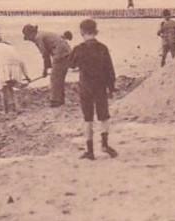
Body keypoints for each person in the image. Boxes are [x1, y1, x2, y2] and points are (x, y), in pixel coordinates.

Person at [69, 19, 117, 160]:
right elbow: (110, 70)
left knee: (87, 118)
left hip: (85, 87)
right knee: (104, 116)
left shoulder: (79, 49)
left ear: (82, 32)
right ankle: (105, 145)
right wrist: (111, 87)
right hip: (100, 86)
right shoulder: (103, 48)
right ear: (95, 31)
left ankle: (90, 151)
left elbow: (70, 64)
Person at [22, 24, 72, 107]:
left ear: (31, 33)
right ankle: (60, 100)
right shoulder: (42, 34)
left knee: (55, 78)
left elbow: (45, 55)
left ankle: (56, 101)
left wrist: (45, 70)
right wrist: (48, 68)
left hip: (60, 54)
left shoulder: (38, 38)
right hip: (67, 52)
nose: (30, 40)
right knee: (59, 77)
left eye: (28, 37)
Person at [0, 35, 31, 113]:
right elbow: (21, 61)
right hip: (16, 69)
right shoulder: (11, 47)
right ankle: (15, 107)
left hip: (5, 70)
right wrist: (26, 75)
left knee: (4, 89)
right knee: (11, 88)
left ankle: (6, 110)